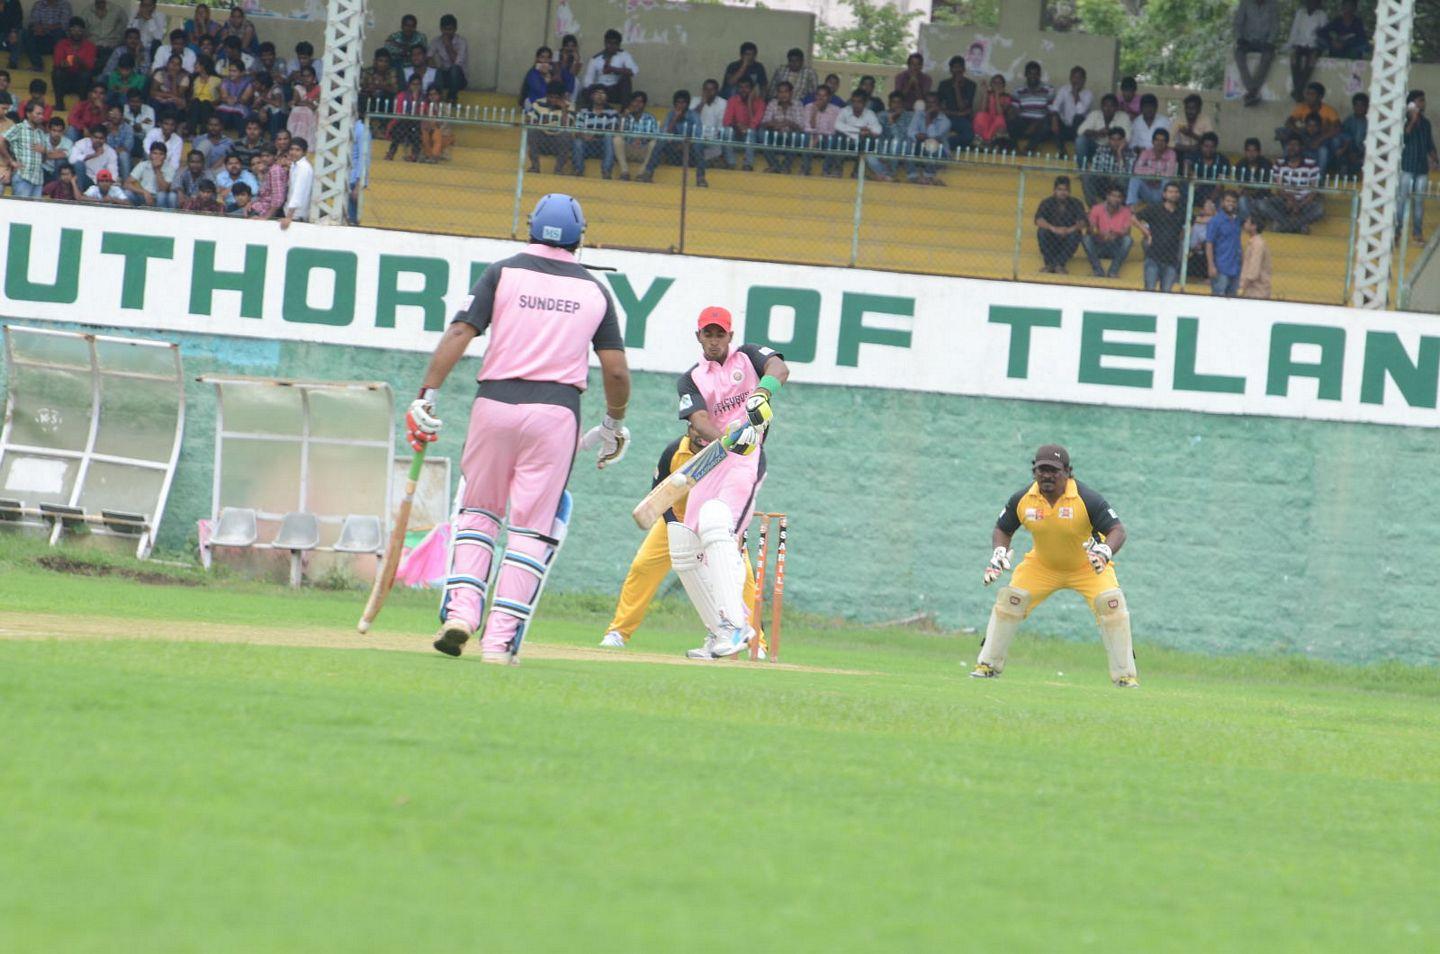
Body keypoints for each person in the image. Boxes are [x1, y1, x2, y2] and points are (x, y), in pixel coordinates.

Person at [414, 194, 632, 664]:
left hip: (494, 403)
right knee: (531, 530)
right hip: (555, 413)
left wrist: (426, 394)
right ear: (580, 235)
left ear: (530, 227)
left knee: (478, 513)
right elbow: (615, 371)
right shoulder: (596, 290)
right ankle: (498, 642)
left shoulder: (502, 272)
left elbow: (459, 333)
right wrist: (614, 422)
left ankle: (461, 613)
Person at [667, 306, 788, 660]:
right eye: (709, 333)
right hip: (711, 459)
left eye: (721, 334)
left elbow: (779, 368)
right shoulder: (690, 379)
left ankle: (736, 624)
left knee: (718, 524)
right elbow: (699, 419)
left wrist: (762, 393)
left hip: (746, 459)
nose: (715, 340)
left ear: (730, 336)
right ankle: (719, 631)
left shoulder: (748, 357)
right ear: (699, 336)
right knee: (683, 545)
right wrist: (725, 437)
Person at [974, 444, 1137, 688]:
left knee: (1111, 606)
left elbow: (1117, 530)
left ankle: (1125, 676)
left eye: (1054, 470)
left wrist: (1105, 550)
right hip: (1042, 566)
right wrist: (999, 551)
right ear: (1034, 471)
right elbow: (1003, 528)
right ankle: (987, 666)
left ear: (1068, 472)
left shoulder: (1087, 498)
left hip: (1087, 568)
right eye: (1042, 470)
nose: (1047, 476)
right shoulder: (1023, 499)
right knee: (1010, 601)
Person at [598, 427, 769, 657]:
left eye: (705, 431)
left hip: (713, 524)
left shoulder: (727, 454)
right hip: (675, 520)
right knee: (643, 566)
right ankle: (618, 632)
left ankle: (757, 642)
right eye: (695, 429)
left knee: (743, 576)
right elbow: (659, 493)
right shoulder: (674, 451)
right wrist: (673, 527)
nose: (700, 435)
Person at [638, 87, 706, 187]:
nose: (680, 105)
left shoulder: (694, 115)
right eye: (678, 103)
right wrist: (674, 119)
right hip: (674, 147)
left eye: (683, 103)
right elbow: (664, 133)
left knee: (698, 145)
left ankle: (701, 178)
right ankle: (648, 173)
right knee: (661, 141)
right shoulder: (671, 114)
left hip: (689, 148)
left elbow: (698, 135)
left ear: (687, 104)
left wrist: (684, 144)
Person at [1262, 136, 1323, 233]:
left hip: (1304, 202)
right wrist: (1289, 199)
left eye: (1295, 145)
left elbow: (1313, 190)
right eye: (1289, 145)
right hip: (1285, 201)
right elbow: (1279, 188)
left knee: (1319, 209)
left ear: (1301, 147)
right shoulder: (1279, 163)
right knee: (1263, 205)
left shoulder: (1311, 164)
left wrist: (1299, 205)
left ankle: (1284, 225)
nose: (1291, 147)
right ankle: (1297, 225)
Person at [1398, 90, 1437, 243]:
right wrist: (1412, 121)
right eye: (1420, 101)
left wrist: (1436, 160)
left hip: (1422, 169)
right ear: (1412, 103)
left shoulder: (1426, 123)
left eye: (1423, 101)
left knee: (1419, 202)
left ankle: (1417, 233)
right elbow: (1403, 139)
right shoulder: (1402, 120)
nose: (1423, 104)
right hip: (1407, 167)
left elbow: (1429, 145)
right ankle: (1397, 231)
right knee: (1402, 200)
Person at [1137, 181, 1186, 291]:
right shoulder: (1155, 208)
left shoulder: (1181, 212)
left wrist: (1182, 233)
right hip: (1153, 257)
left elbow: (1192, 221)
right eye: (1170, 192)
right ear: (1164, 194)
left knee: (1166, 294)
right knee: (1150, 291)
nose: (1173, 194)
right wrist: (1146, 233)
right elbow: (1133, 218)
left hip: (1171, 259)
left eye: (1176, 192)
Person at [1034, 174, 1087, 274]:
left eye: (1065, 190)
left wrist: (1068, 230)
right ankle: (1049, 264)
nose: (1063, 192)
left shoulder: (1076, 203)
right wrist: (1054, 229)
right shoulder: (1047, 202)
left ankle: (1059, 265)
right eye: (1060, 189)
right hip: (1051, 236)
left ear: (1069, 191)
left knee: (1077, 234)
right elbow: (1038, 220)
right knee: (1042, 231)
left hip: (1068, 237)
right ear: (1054, 190)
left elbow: (1083, 222)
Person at [1082, 184, 1134, 278]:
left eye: (1119, 197)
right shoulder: (1096, 208)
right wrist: (1101, 234)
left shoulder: (1126, 211)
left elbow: (1127, 231)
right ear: (1107, 196)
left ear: (1122, 199)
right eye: (1113, 196)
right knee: (1086, 239)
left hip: (1115, 247)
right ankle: (1098, 270)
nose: (1116, 199)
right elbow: (1091, 228)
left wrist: (1115, 234)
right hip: (1099, 245)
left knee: (1128, 240)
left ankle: (1113, 271)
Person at [1233, 0, 1278, 107]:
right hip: (1247, 41)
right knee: (1238, 55)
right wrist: (1240, 38)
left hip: (1264, 42)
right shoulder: (1245, 3)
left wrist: (1270, 41)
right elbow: (1238, 23)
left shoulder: (1272, 4)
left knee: (1268, 56)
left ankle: (1251, 92)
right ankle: (1253, 90)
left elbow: (1275, 25)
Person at [523, 79, 571, 174]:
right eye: (550, 97)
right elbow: (528, 119)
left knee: (566, 134)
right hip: (542, 139)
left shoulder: (569, 106)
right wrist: (546, 121)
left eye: (556, 97)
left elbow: (566, 125)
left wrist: (564, 109)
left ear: (562, 97)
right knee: (532, 130)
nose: (553, 100)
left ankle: (558, 170)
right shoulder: (538, 103)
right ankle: (535, 167)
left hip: (558, 141)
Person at [758, 79, 805, 174]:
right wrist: (774, 124)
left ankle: (785, 166)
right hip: (775, 134)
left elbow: (801, 126)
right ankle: (775, 165)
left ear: (791, 93)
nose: (783, 95)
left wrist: (788, 123)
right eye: (780, 92)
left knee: (798, 136)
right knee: (761, 132)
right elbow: (764, 122)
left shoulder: (798, 104)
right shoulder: (772, 103)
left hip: (790, 136)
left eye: (786, 91)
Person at [571, 84, 616, 178]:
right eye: (597, 93)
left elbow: (612, 127)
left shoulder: (612, 112)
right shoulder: (583, 112)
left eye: (603, 93)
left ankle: (606, 172)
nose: (600, 95)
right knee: (578, 141)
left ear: (606, 97)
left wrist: (595, 135)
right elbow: (577, 130)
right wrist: (585, 136)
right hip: (586, 144)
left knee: (608, 137)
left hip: (602, 146)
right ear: (591, 96)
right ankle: (578, 170)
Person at [834, 88, 881, 177]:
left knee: (867, 140)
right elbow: (837, 125)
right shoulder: (845, 110)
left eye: (859, 102)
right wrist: (859, 131)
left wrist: (866, 131)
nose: (856, 104)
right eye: (854, 101)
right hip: (846, 141)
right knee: (839, 136)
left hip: (860, 142)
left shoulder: (869, 113)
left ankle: (857, 172)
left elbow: (878, 130)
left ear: (865, 102)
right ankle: (838, 171)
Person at [50, 16, 95, 110]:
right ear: (69, 31)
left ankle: (82, 107)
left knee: (86, 75)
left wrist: (80, 62)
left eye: (79, 30)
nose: (76, 33)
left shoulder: (90, 46)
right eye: (73, 30)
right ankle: (59, 104)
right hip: (65, 80)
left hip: (80, 82)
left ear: (83, 31)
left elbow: (90, 66)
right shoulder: (61, 43)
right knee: (56, 73)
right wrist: (63, 64)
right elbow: (57, 63)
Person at [907, 89, 950, 185]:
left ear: (939, 105)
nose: (930, 105)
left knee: (932, 143)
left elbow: (933, 137)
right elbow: (910, 131)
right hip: (920, 148)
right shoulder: (918, 114)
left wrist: (928, 119)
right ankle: (912, 175)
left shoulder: (945, 121)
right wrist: (917, 135)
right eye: (928, 102)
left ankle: (928, 175)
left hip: (939, 155)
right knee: (909, 140)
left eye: (933, 103)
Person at [581, 28, 637, 103]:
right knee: (585, 91)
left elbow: (634, 71)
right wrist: (594, 92)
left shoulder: (624, 55)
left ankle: (624, 110)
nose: (612, 46)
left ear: (619, 45)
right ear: (605, 43)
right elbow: (587, 81)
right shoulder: (595, 59)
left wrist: (613, 69)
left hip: (616, 91)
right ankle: (592, 110)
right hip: (601, 90)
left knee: (626, 79)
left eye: (615, 43)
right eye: (609, 43)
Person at [611, 90, 656, 181]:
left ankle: (641, 173)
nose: (637, 104)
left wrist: (642, 138)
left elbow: (655, 136)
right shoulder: (625, 116)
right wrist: (623, 117)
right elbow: (618, 132)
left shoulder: (650, 118)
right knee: (617, 139)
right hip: (628, 149)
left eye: (640, 102)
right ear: (631, 103)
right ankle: (625, 172)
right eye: (635, 101)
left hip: (643, 150)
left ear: (644, 104)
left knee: (654, 143)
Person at [720, 75, 764, 171]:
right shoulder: (733, 100)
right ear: (737, 89)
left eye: (747, 87)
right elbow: (726, 121)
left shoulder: (759, 102)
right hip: (737, 132)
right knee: (727, 131)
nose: (743, 90)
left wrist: (749, 102)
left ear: (752, 89)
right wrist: (737, 126)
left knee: (751, 132)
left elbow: (756, 122)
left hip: (751, 136)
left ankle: (748, 164)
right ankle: (730, 163)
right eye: (741, 87)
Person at [1009, 60, 1053, 153]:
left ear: (1039, 75)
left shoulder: (1048, 89)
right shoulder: (1018, 90)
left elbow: (1051, 112)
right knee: (1010, 120)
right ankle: (1015, 149)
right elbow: (1015, 109)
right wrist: (1012, 115)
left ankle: (1029, 148)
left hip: (1041, 122)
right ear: (1025, 74)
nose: (1033, 76)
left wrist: (1035, 124)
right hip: (1024, 121)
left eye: (1035, 74)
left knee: (1048, 123)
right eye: (1030, 73)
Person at [1127, 127, 1177, 207]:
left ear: (1167, 143)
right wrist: (1151, 176)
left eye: (1162, 141)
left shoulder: (1171, 154)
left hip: (1162, 192)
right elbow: (1136, 170)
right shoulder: (1146, 152)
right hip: (1147, 189)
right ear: (1153, 141)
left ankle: (1167, 206)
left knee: (1167, 180)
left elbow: (1170, 173)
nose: (1159, 143)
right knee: (1135, 178)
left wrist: (1154, 175)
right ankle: (1131, 205)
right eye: (1157, 140)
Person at [1287, 0, 1327, 102]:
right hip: (1300, 44)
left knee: (1311, 60)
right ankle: (1299, 91)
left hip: (1314, 46)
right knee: (1293, 57)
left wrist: (1317, 44)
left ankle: (1297, 90)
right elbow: (1294, 31)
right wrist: (1291, 45)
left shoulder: (1322, 15)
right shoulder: (1300, 13)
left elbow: (1324, 35)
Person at [1206, 190, 1243, 297]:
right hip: (1220, 267)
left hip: (1235, 268)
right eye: (1228, 201)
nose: (1230, 204)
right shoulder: (1215, 221)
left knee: (1232, 299)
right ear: (1222, 202)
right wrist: (1211, 265)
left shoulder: (1236, 221)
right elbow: (1209, 244)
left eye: (1233, 201)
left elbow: (1238, 243)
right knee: (1218, 299)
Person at [1084, 125, 1132, 207]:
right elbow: (1096, 169)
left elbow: (1127, 174)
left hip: (1120, 187)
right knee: (1087, 176)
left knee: (1122, 179)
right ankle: (1094, 207)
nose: (1115, 142)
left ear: (1124, 140)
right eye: (1113, 139)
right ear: (1109, 140)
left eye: (1119, 139)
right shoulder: (1102, 150)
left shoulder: (1131, 153)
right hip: (1104, 183)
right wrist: (1109, 176)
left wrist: (1119, 153)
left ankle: (1121, 207)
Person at [1049, 65, 1091, 158]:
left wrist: (1075, 94)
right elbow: (1055, 106)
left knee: (1078, 118)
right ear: (1070, 78)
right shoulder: (1064, 89)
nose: (1076, 80)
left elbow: (1080, 112)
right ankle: (1062, 150)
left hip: (1078, 130)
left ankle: (1077, 151)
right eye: (1073, 77)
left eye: (1079, 78)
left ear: (1084, 80)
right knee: (1050, 118)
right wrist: (1054, 119)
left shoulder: (1088, 94)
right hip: (1065, 127)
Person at [1076, 95, 1128, 167]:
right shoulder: (1095, 114)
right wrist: (1097, 133)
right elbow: (1080, 131)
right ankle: (1082, 169)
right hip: (1096, 147)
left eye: (1111, 106)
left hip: (1113, 149)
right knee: (1080, 140)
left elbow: (1128, 137)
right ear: (1101, 107)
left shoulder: (1123, 116)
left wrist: (1112, 135)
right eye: (1105, 106)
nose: (1108, 109)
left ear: (1116, 107)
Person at [21, 0, 72, 73]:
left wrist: (45, 28)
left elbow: (64, 25)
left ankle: (60, 67)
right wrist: (37, 28)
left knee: (59, 33)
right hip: (41, 38)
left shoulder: (64, 5)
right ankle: (37, 65)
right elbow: (33, 22)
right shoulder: (39, 4)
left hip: (55, 38)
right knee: (26, 33)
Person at [936, 54, 975, 149]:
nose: (957, 70)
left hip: (962, 119)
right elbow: (937, 106)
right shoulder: (944, 84)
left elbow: (963, 107)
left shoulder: (971, 85)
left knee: (969, 136)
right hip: (946, 117)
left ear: (964, 69)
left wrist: (957, 88)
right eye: (955, 67)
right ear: (950, 70)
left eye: (960, 67)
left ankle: (945, 144)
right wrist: (957, 113)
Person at [801, 83, 841, 176]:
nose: (820, 98)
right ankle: (805, 169)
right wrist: (814, 112)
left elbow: (833, 130)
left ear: (829, 97)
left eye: (824, 96)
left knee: (832, 140)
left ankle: (826, 170)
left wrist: (818, 136)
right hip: (813, 137)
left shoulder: (835, 110)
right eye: (818, 95)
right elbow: (807, 128)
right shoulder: (809, 107)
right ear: (815, 96)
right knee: (807, 138)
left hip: (827, 138)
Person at [1187, 132, 1232, 208]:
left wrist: (1209, 201)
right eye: (1206, 146)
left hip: (1214, 192)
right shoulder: (1195, 155)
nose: (1209, 149)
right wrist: (1190, 172)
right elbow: (1187, 165)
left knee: (1221, 200)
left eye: (1212, 147)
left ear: (1216, 147)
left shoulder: (1222, 160)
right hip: (1196, 190)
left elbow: (1219, 186)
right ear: (1201, 146)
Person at [126, 139, 177, 207]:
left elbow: (163, 189)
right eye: (155, 153)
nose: (157, 156)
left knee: (161, 196)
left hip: (160, 198)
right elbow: (127, 184)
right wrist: (144, 192)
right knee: (127, 193)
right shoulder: (143, 165)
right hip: (144, 195)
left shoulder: (170, 168)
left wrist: (157, 169)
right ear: (150, 155)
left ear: (165, 156)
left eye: (161, 154)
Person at [1234, 136, 1273, 221]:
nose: (1251, 154)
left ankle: (1255, 219)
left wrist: (1249, 191)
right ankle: (1250, 222)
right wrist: (1246, 192)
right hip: (1247, 198)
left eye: (1254, 151)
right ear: (1245, 152)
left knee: (1262, 205)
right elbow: (1241, 187)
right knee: (1242, 201)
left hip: (1262, 198)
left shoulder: (1266, 164)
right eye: (1248, 151)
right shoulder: (1240, 165)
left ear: (1259, 152)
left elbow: (1264, 187)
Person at [431, 14, 467, 105]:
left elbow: (457, 63)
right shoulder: (436, 41)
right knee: (437, 71)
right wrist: (433, 64)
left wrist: (448, 46)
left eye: (450, 29)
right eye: (444, 30)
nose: (447, 32)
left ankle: (451, 97)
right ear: (441, 29)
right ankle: (437, 98)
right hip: (444, 75)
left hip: (459, 78)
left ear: (455, 29)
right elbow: (428, 57)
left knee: (454, 69)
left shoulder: (461, 42)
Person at [1171, 93, 1213, 168]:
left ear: (1199, 109)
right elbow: (1168, 140)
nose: (1189, 111)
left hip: (1199, 151)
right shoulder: (1179, 119)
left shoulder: (1205, 119)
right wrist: (1186, 148)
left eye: (1193, 108)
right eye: (1187, 108)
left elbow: (1210, 140)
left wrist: (1191, 134)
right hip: (1182, 150)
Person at [278, 136, 310, 228]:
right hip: (292, 214)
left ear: (304, 152)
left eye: (297, 150)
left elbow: (298, 193)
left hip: (296, 216)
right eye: (291, 149)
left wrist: (289, 217)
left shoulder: (303, 168)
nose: (293, 152)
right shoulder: (295, 165)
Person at [972, 73, 1011, 149]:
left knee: (999, 119)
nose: (997, 85)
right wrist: (985, 93)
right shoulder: (989, 94)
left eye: (999, 83)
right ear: (991, 84)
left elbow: (1000, 113)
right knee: (980, 116)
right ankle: (982, 142)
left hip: (998, 123)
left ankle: (992, 142)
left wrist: (996, 95)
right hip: (988, 121)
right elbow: (982, 110)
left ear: (1003, 85)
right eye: (995, 83)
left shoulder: (1006, 96)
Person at [1333, 92, 1368, 176]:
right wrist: (1349, 152)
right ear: (1353, 106)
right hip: (1349, 152)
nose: (1359, 108)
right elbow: (1344, 138)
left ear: (1367, 107)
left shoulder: (1370, 122)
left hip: (1364, 153)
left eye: (1362, 105)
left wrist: (1362, 155)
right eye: (1357, 105)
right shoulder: (1348, 121)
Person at [1238, 215, 1272, 298]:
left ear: (1254, 226)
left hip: (1256, 291)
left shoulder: (1257, 244)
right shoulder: (1255, 242)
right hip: (1254, 290)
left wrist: (1243, 288)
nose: (1244, 224)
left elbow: (1253, 271)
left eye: (1247, 222)